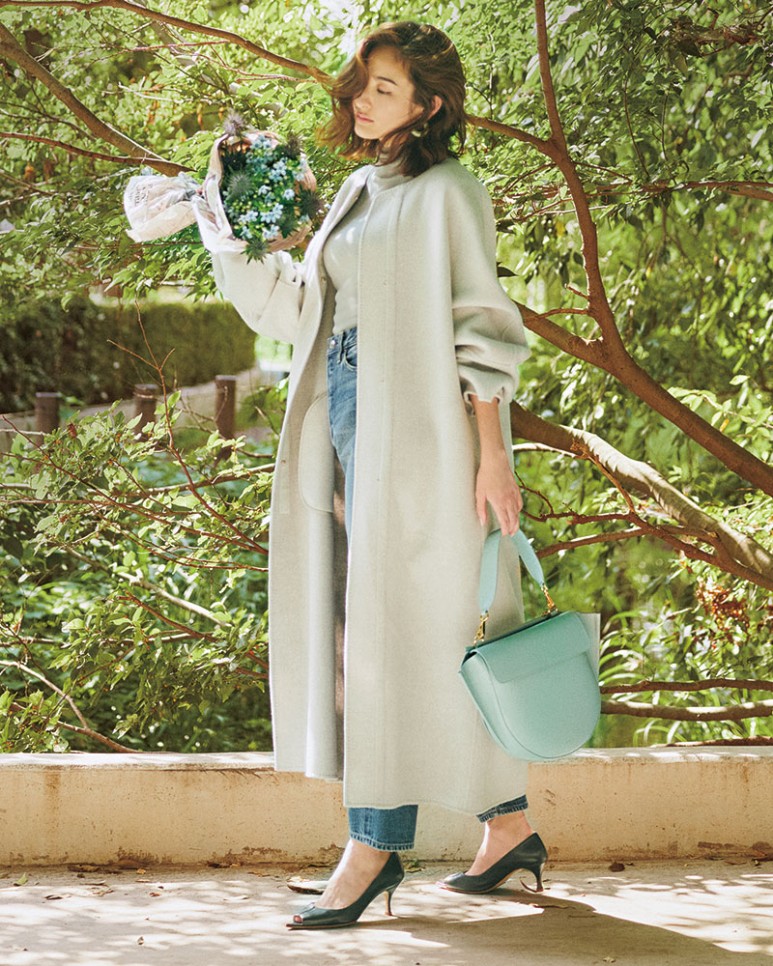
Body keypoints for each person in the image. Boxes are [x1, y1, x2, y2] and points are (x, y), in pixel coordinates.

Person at [205, 21, 547, 929]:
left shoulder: (449, 192)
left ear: (428, 104)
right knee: (393, 630)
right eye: (361, 84)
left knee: (399, 634)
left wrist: (493, 455)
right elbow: (305, 311)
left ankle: (371, 849)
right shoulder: (359, 187)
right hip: (346, 415)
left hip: (426, 433)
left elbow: (482, 328)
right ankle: (508, 829)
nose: (362, 100)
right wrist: (231, 235)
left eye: (385, 88)